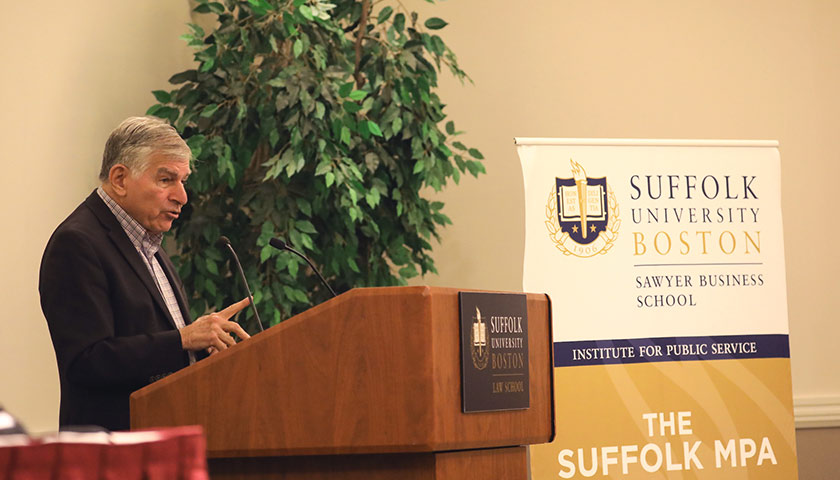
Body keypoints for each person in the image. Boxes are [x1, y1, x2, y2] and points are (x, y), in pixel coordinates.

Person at [39, 116, 250, 431]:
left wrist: (202, 346)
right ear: (121, 179)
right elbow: (86, 362)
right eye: (166, 179)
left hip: (166, 440)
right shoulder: (77, 243)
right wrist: (182, 339)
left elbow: (161, 348)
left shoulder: (150, 245)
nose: (182, 196)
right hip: (111, 453)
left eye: (183, 180)